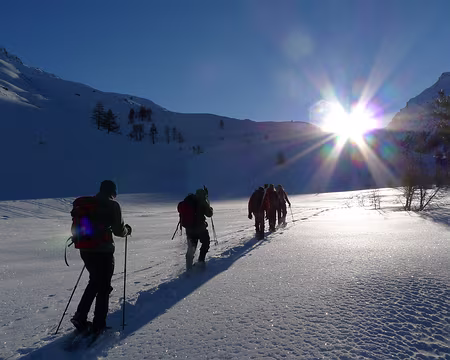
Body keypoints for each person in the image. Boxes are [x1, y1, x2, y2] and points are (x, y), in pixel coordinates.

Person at [70, 180, 132, 335]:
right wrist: (127, 231)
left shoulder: (86, 204)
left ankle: (80, 316)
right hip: (103, 251)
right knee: (103, 286)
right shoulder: (112, 205)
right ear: (112, 192)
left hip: (85, 249)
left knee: (95, 281)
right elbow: (119, 230)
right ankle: (99, 324)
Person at [185, 188, 213, 269]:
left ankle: (188, 266)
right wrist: (210, 208)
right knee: (206, 243)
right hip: (200, 228)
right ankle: (201, 261)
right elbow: (209, 214)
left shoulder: (189, 200)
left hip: (189, 229)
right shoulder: (202, 201)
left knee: (192, 247)